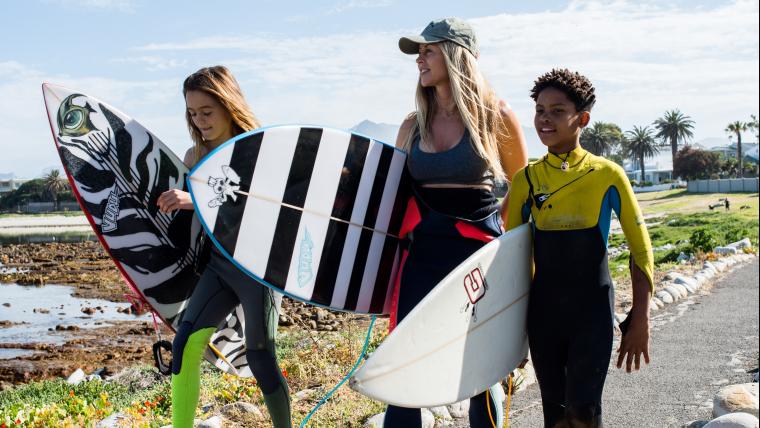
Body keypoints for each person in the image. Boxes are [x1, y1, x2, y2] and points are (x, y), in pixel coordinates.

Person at [387, 17, 528, 428]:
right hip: (422, 256)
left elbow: (521, 192)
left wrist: (505, 251)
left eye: (428, 50)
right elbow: (392, 197)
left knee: (480, 373)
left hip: (477, 258)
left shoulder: (496, 116)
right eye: (418, 53)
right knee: (404, 367)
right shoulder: (412, 126)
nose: (419, 60)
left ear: (456, 55)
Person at [505, 69, 654, 427]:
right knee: (554, 415)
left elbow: (640, 248)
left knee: (584, 411)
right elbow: (513, 258)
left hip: (592, 311)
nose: (545, 119)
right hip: (543, 315)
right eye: (540, 110)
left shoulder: (607, 174)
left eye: (557, 110)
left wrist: (641, 318)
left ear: (582, 118)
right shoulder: (526, 179)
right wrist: (509, 330)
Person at [157, 66, 291, 428]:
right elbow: (186, 230)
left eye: (207, 112)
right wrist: (146, 281)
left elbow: (265, 207)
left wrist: (196, 197)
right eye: (192, 113)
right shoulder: (193, 155)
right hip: (219, 267)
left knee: (261, 357)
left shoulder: (255, 147)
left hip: (257, 267)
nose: (199, 121)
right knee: (184, 347)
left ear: (228, 105)